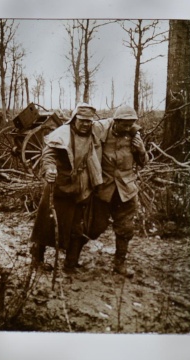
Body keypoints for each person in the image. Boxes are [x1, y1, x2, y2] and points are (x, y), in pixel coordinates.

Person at [29, 103, 103, 274]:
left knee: (78, 227)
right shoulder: (62, 134)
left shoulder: (93, 134)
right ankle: (37, 260)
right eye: (82, 120)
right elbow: (48, 155)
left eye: (89, 121)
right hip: (59, 186)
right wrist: (49, 168)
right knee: (46, 225)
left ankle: (70, 264)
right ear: (74, 118)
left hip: (81, 187)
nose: (85, 124)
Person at [93, 105, 148, 276]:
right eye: (124, 124)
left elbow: (143, 162)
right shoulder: (102, 132)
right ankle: (72, 261)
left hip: (126, 190)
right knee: (94, 226)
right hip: (104, 188)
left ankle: (119, 264)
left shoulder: (134, 136)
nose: (128, 128)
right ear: (116, 122)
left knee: (126, 229)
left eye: (130, 124)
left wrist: (141, 149)